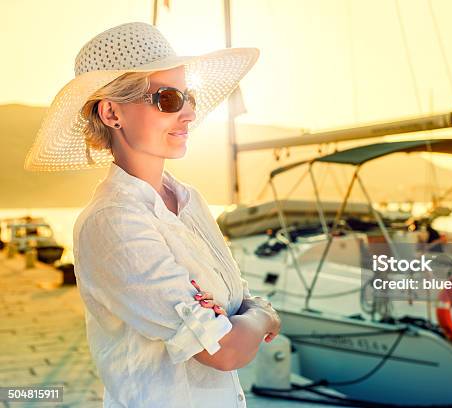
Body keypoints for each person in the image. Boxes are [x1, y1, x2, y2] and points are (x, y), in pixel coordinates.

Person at [24, 22, 280, 408]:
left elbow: (235, 299)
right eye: (168, 99)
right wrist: (263, 317)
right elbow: (224, 349)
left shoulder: (187, 199)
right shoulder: (112, 221)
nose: (189, 113)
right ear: (111, 112)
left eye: (188, 97)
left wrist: (243, 315)